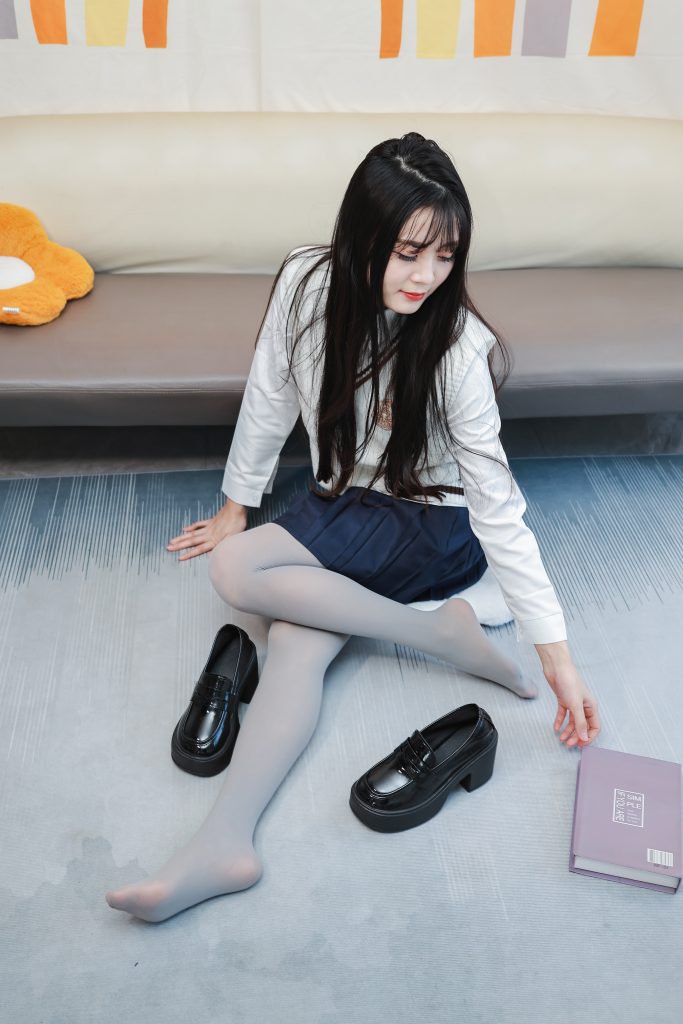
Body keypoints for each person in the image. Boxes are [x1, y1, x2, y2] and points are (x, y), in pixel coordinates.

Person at [105, 132, 600, 923]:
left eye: (444, 257)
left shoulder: (456, 350)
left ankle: (433, 634)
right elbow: (269, 391)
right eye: (407, 253)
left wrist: (557, 658)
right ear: (363, 237)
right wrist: (236, 502)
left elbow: (496, 507)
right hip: (341, 500)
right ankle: (226, 844)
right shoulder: (306, 280)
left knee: (238, 573)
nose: (426, 277)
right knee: (295, 636)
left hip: (428, 521)